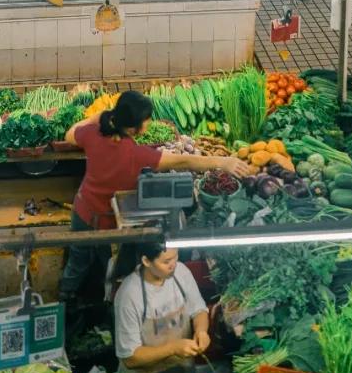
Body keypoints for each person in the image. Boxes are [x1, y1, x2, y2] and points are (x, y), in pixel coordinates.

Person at [60, 92, 250, 300]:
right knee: (90, 263)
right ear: (134, 128)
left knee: (78, 263)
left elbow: (69, 134)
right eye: (147, 121)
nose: (150, 124)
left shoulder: (94, 133)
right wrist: (223, 162)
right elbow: (183, 162)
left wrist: (98, 117)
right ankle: (76, 304)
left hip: (82, 211)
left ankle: (70, 298)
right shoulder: (136, 155)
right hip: (103, 221)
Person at [114, 238, 210, 373]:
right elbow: (130, 358)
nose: (173, 264)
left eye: (176, 256)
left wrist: (202, 330)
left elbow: (199, 309)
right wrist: (173, 348)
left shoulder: (181, 272)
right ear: (146, 261)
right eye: (166, 261)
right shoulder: (129, 295)